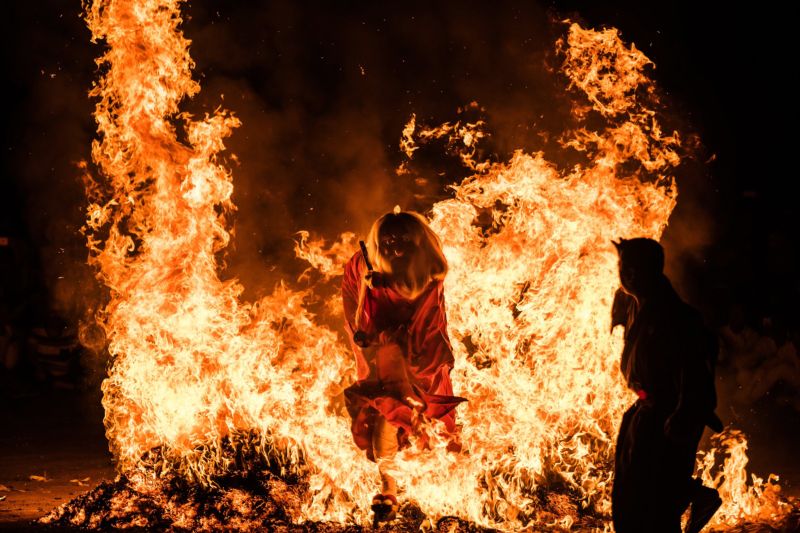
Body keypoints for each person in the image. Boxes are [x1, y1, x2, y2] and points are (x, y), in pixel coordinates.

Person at [341, 210, 466, 524]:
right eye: (388, 239)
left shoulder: (430, 270)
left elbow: (422, 312)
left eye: (402, 239)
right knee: (384, 409)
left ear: (417, 241)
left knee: (418, 415)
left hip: (420, 356)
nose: (395, 244)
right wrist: (370, 294)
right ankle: (389, 487)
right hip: (381, 354)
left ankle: (433, 481)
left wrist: (386, 287)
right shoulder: (362, 265)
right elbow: (359, 317)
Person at [610, 238, 723, 533]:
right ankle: (691, 492)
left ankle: (693, 495)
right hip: (644, 412)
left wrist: (683, 417)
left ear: (635, 272)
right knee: (629, 497)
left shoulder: (678, 319)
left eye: (623, 267)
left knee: (654, 510)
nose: (620, 273)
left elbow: (697, 376)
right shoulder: (631, 303)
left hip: (666, 416)